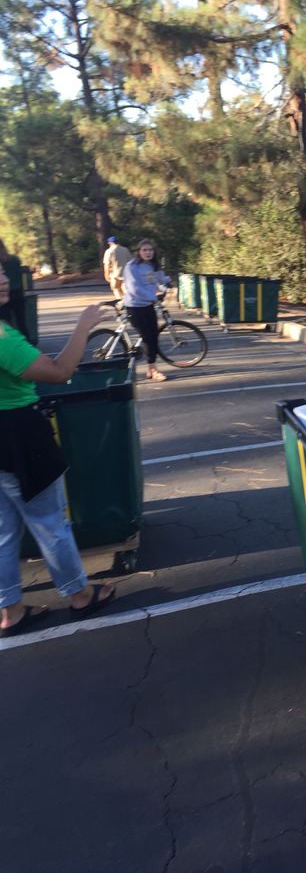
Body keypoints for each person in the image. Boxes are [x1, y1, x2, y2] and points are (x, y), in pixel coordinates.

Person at [0, 262, 117, 638]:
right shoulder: (2, 339)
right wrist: (84, 326)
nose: (4, 279)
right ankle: (81, 594)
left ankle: (9, 611)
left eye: (2, 272)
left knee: (3, 531)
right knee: (50, 523)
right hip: (19, 438)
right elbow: (59, 371)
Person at [123, 238, 171, 382]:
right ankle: (153, 370)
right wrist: (154, 297)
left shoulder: (152, 266)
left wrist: (169, 283)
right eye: (144, 250)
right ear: (139, 251)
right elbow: (134, 289)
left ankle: (152, 368)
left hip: (148, 306)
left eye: (150, 250)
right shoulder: (131, 266)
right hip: (135, 307)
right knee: (148, 338)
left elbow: (160, 279)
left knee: (154, 337)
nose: (148, 252)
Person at [0, 238, 29, 339]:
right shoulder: (15, 259)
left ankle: (11, 347)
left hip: (4, 294)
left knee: (6, 323)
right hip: (18, 293)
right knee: (21, 322)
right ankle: (28, 345)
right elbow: (22, 275)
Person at [102, 236, 132, 301]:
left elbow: (106, 264)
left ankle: (120, 303)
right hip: (125, 275)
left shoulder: (109, 251)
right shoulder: (125, 250)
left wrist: (106, 275)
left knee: (116, 290)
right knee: (125, 290)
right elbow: (130, 262)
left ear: (110, 243)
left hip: (114, 275)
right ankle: (128, 303)